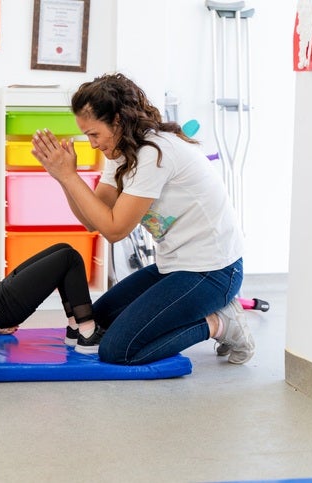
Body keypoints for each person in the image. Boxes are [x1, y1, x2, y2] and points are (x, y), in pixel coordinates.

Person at [30, 72, 255, 365]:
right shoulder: (121, 153)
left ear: (118, 122)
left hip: (213, 272)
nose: (93, 144)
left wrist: (70, 176)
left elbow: (114, 230)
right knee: (98, 322)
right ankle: (200, 314)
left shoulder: (154, 153)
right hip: (174, 266)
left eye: (94, 134)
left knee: (118, 349)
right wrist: (62, 178)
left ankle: (220, 322)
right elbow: (92, 220)